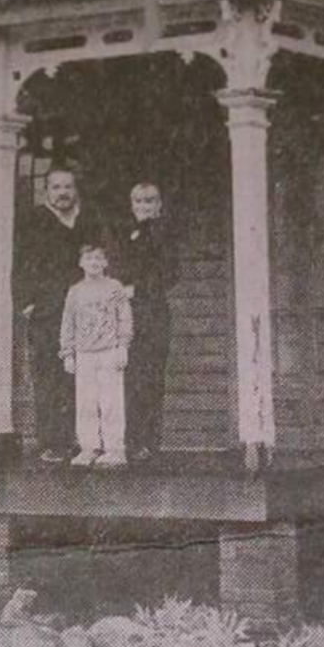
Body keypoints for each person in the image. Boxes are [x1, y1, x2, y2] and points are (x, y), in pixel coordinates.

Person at [17, 168, 103, 463]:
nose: (62, 192)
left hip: (85, 307)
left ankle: (85, 440)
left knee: (85, 372)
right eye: (56, 187)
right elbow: (21, 260)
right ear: (46, 191)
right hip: (48, 310)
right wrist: (28, 302)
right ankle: (53, 442)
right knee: (49, 374)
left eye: (68, 186)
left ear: (75, 190)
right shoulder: (34, 220)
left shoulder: (88, 221)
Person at [119, 183, 178, 461]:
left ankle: (148, 442)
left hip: (152, 314)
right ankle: (127, 441)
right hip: (125, 313)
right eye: (139, 201)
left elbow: (170, 273)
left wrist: (139, 289)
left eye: (149, 201)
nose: (143, 206)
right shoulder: (126, 235)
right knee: (128, 376)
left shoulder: (164, 235)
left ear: (159, 205)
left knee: (150, 377)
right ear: (132, 205)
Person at [59, 244, 133, 468]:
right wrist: (68, 353)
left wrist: (123, 347)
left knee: (111, 402)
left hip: (109, 351)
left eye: (99, 258)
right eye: (89, 258)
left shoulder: (115, 287)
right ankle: (89, 448)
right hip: (84, 354)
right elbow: (68, 323)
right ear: (81, 263)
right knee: (86, 403)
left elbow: (125, 318)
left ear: (106, 263)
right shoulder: (75, 291)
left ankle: (115, 450)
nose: (94, 262)